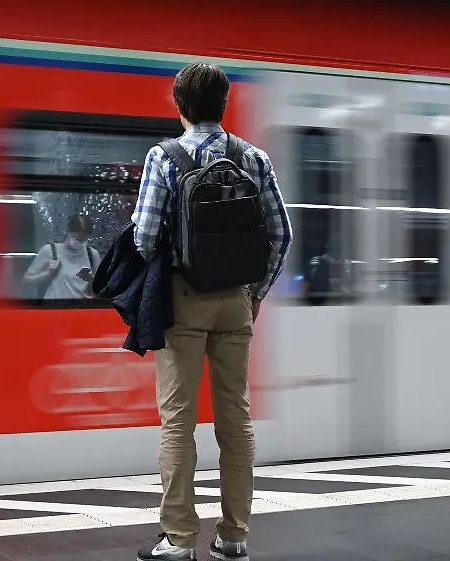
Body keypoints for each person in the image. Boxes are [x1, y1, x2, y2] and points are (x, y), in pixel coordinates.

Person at [133, 62, 291, 561]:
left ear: (179, 106)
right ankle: (235, 534)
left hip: (183, 303)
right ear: (225, 105)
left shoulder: (164, 157)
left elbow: (143, 237)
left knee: (178, 421)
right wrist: (256, 293)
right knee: (235, 418)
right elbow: (280, 234)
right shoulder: (254, 158)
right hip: (236, 304)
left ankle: (179, 538)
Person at [23, 214, 101, 300]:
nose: (79, 242)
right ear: (68, 232)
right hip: (55, 309)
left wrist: (91, 279)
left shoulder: (92, 255)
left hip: (82, 310)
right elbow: (27, 280)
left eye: (84, 240)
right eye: (76, 238)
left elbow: (102, 288)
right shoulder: (50, 251)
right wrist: (48, 273)